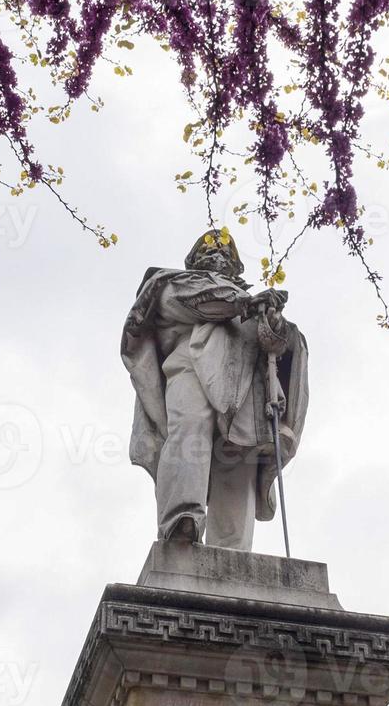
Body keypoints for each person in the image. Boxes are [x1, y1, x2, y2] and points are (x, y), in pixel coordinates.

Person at [121, 229, 309, 550]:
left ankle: (232, 548)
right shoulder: (170, 285)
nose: (218, 255)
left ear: (235, 267)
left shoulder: (251, 303)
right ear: (193, 261)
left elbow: (277, 344)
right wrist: (247, 305)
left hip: (245, 382)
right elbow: (191, 303)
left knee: (239, 457)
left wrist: (273, 323)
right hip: (189, 366)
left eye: (226, 253)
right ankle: (182, 519)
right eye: (208, 251)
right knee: (189, 428)